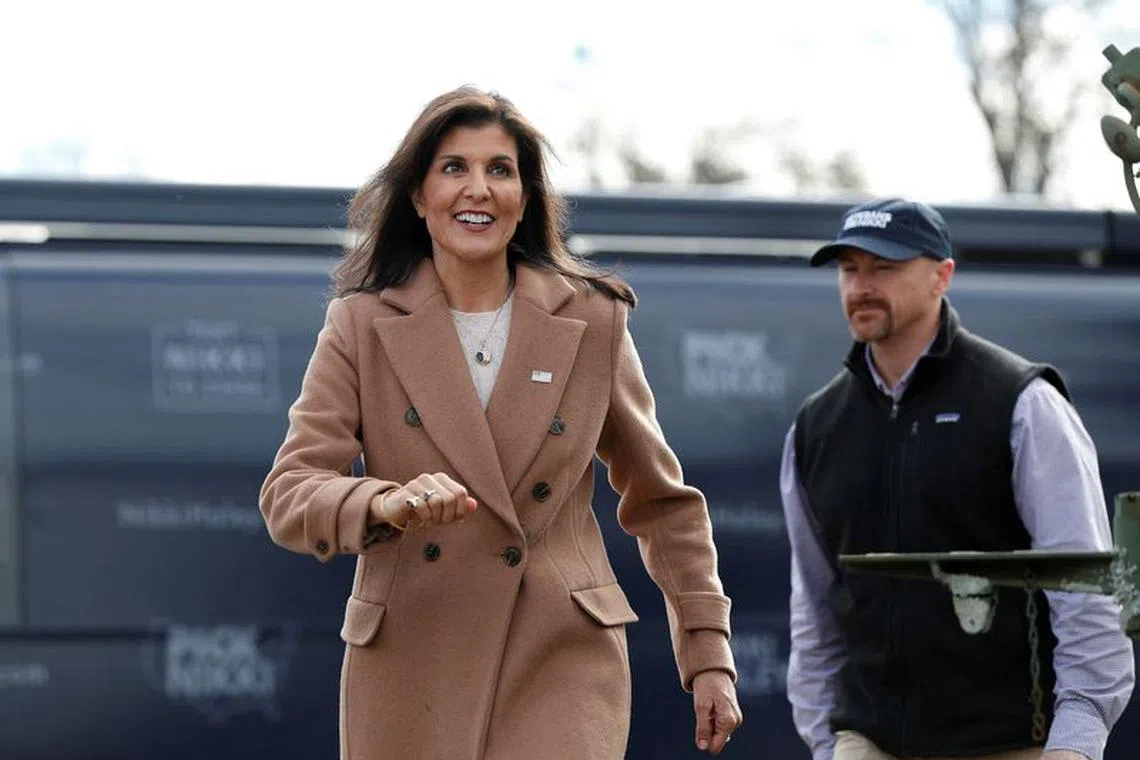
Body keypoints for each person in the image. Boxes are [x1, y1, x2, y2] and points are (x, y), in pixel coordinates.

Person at [258, 86, 742, 760]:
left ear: (525, 197)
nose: (477, 188)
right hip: (414, 657)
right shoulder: (361, 324)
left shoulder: (593, 320)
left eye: (500, 170)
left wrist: (709, 654)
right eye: (453, 168)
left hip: (560, 658)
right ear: (419, 196)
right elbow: (291, 492)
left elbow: (664, 505)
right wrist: (385, 502)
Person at [779, 197, 1135, 760]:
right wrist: (828, 743)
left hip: (1008, 742)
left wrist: (1075, 744)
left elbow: (1084, 592)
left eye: (885, 268)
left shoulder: (1023, 404)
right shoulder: (816, 427)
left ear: (942, 276)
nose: (861, 285)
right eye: (849, 269)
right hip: (866, 742)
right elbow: (815, 608)